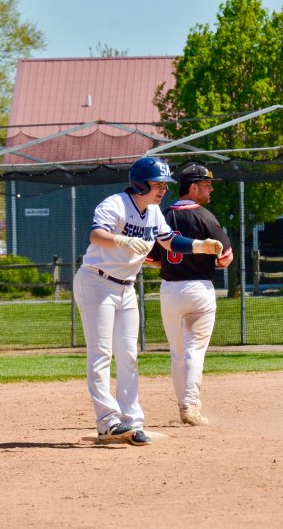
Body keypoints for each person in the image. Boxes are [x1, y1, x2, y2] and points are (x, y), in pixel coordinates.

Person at [73, 157, 223, 446]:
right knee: (102, 353)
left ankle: (131, 421)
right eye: (157, 184)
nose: (163, 190)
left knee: (128, 355)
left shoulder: (153, 212)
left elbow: (168, 240)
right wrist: (121, 240)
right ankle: (107, 422)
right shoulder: (114, 204)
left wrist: (197, 246)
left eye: (165, 184)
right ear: (141, 183)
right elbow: (96, 234)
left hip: (125, 288)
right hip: (96, 282)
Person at [146, 164, 233, 426]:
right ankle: (190, 406)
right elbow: (226, 258)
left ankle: (183, 405)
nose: (211, 188)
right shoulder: (206, 217)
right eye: (206, 184)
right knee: (194, 350)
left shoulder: (162, 216)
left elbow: (151, 258)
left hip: (170, 290)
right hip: (199, 290)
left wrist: (172, 263)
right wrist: (210, 262)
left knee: (177, 353)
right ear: (193, 187)